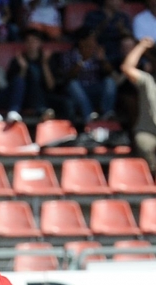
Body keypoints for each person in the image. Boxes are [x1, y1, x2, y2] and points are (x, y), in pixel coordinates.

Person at [5, 28, 74, 121]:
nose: (31, 44)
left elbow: (51, 86)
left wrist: (45, 64)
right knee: (33, 74)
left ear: (40, 43)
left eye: (34, 41)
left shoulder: (47, 59)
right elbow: (15, 87)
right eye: (28, 41)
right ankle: (42, 111)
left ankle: (68, 131)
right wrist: (23, 69)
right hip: (27, 98)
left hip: (46, 97)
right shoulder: (18, 61)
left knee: (67, 104)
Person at [60, 25, 117, 123]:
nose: (94, 42)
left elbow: (110, 72)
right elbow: (68, 77)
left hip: (95, 88)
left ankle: (107, 114)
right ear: (82, 42)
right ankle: (89, 116)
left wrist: (103, 60)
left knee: (110, 81)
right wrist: (83, 60)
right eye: (91, 39)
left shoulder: (97, 53)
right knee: (73, 84)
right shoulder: (69, 55)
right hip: (79, 92)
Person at [121, 35, 156, 173]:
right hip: (147, 133)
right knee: (144, 143)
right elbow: (127, 68)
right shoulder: (148, 81)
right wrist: (141, 46)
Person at [83, 0, 132, 71]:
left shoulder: (122, 17)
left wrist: (122, 30)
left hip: (118, 52)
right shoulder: (93, 16)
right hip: (99, 49)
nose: (120, 2)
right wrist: (101, 28)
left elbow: (130, 37)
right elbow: (87, 36)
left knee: (128, 42)